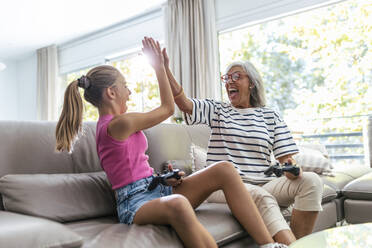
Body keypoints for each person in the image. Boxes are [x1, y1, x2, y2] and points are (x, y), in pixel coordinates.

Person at [55, 37, 288, 248]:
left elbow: (135, 168)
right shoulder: (118, 124)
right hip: (134, 203)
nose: (130, 92)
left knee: (225, 170)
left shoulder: (123, 122)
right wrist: (158, 68)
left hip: (156, 187)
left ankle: (268, 245)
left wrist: (162, 178)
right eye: (125, 86)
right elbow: (167, 109)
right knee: (178, 204)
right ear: (111, 93)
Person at [162, 49, 324, 245]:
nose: (230, 81)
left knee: (312, 181)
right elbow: (185, 104)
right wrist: (165, 69)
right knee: (260, 196)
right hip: (227, 187)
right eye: (227, 78)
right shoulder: (218, 110)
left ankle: (298, 243)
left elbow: (287, 161)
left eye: (237, 76)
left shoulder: (270, 116)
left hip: (265, 182)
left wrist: (292, 170)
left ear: (252, 84)